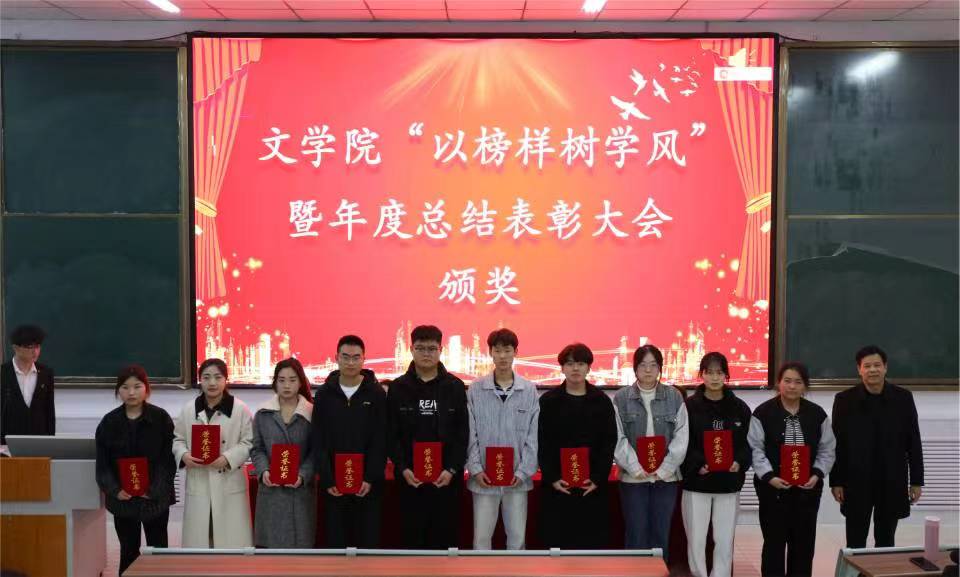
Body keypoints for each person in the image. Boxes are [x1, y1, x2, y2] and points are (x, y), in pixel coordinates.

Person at [748, 362, 836, 577]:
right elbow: (755, 448)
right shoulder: (763, 412)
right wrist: (770, 477)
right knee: (774, 545)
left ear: (805, 386)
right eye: (787, 381)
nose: (792, 386)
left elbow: (827, 448)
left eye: (798, 382)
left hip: (807, 491)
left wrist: (817, 474)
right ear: (779, 383)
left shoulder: (817, 414)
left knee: (803, 546)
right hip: (773, 491)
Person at [830, 345, 923, 548]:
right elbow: (837, 444)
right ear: (859, 369)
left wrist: (917, 481)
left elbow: (913, 442)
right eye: (867, 366)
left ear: (885, 367)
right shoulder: (844, 400)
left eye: (877, 365)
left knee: (886, 540)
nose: (872, 370)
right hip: (856, 481)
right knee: (855, 540)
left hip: (891, 479)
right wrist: (836, 481)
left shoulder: (903, 398)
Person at [387, 325, 468, 549]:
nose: (426, 354)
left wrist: (451, 469)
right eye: (420, 348)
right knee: (411, 541)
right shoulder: (398, 388)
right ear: (411, 349)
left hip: (446, 480)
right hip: (409, 479)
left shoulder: (455, 387)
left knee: (444, 542)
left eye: (432, 348)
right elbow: (391, 433)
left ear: (441, 350)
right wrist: (403, 468)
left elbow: (462, 433)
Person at [95, 365, 176, 575]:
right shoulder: (109, 422)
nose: (131, 392)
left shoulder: (161, 418)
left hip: (155, 501)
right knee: (128, 551)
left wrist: (154, 490)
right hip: (123, 501)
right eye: (125, 387)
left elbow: (168, 461)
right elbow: (103, 465)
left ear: (146, 389)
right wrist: (115, 490)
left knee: (159, 550)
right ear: (118, 391)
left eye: (137, 386)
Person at [538, 342, 617, 549]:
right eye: (570, 363)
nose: (575, 368)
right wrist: (552, 477)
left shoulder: (601, 401)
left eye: (581, 364)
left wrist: (598, 478)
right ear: (562, 368)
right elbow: (541, 441)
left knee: (590, 544)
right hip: (558, 486)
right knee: (557, 543)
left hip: (590, 486)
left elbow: (609, 442)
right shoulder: (548, 401)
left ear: (588, 367)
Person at [466, 328, 539, 550]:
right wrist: (476, 469)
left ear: (516, 352)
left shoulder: (528, 390)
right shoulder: (476, 389)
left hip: (517, 480)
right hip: (484, 478)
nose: (503, 356)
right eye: (497, 351)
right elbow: (470, 433)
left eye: (507, 350)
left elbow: (533, 436)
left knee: (517, 539)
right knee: (481, 539)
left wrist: (523, 472)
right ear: (490, 353)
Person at [680, 352, 752, 577]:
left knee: (724, 539)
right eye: (709, 372)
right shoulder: (688, 406)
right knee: (696, 538)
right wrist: (698, 464)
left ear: (726, 375)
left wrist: (739, 462)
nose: (714, 377)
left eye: (719, 372)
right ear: (701, 375)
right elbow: (682, 442)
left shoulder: (739, 407)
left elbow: (748, 443)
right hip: (697, 483)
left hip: (728, 484)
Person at [613, 344, 688, 557]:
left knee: (660, 534)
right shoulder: (621, 398)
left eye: (653, 365)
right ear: (635, 368)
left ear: (660, 368)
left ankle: (658, 571)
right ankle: (636, 571)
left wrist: (665, 469)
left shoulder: (674, 396)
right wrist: (635, 468)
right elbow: (617, 437)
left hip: (666, 478)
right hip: (633, 478)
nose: (648, 370)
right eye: (643, 365)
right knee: (636, 533)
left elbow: (682, 436)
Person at [313, 335, 387, 548]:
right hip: (334, 486)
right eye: (345, 357)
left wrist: (369, 478)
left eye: (356, 357)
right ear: (336, 358)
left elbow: (381, 439)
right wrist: (328, 479)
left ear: (364, 359)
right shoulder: (324, 394)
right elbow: (318, 438)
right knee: (336, 545)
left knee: (367, 545)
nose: (351, 363)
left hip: (367, 486)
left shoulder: (376, 394)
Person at [172, 358, 254, 548]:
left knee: (230, 542)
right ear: (200, 380)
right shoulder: (189, 409)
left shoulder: (240, 409)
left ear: (226, 379)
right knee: (201, 540)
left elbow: (249, 442)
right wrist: (184, 455)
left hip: (229, 481)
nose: (212, 383)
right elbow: (178, 440)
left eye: (218, 377)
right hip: (199, 481)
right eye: (206, 377)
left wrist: (228, 458)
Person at [250, 358, 316, 548]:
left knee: (300, 551)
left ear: (301, 382)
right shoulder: (263, 413)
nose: (287, 385)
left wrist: (303, 475)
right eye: (282, 380)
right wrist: (264, 471)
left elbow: (316, 452)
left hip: (300, 493)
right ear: (275, 383)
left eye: (292, 380)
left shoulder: (311, 413)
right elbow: (257, 448)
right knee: (271, 553)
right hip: (271, 493)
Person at [1, 324, 55, 446]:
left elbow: (49, 412)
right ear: (16, 348)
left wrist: (50, 442)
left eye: (38, 346)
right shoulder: (3, 373)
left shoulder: (46, 374)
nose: (35, 351)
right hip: (7, 444)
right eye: (30, 347)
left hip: (39, 442)